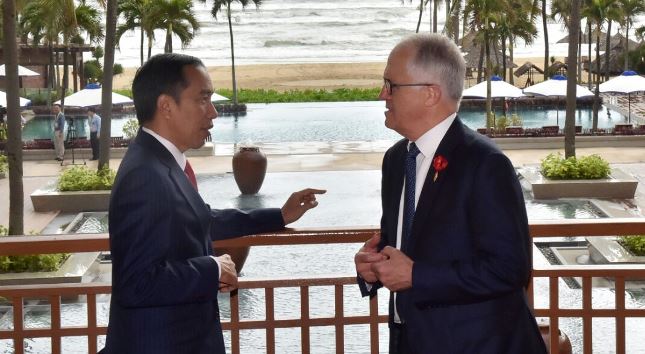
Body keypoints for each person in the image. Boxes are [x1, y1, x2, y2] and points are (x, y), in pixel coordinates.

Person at [100, 53, 326, 354]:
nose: (214, 113)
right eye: (203, 99)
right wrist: (212, 269)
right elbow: (137, 283)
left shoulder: (159, 162)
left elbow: (201, 219)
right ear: (166, 106)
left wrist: (279, 216)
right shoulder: (145, 174)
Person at [354, 34, 547, 354]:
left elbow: (510, 269)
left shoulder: (485, 164)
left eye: (391, 85)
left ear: (430, 94)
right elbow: (399, 246)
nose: (381, 95)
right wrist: (372, 269)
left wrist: (417, 275)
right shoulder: (396, 159)